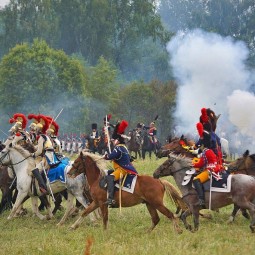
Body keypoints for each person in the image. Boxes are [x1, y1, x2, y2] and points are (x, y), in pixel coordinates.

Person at [103, 120, 138, 207]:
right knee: (106, 172)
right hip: (123, 169)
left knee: (110, 178)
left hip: (122, 170)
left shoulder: (118, 148)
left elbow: (111, 156)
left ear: (117, 140)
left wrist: (106, 156)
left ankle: (110, 199)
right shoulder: (124, 147)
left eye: (114, 139)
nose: (113, 141)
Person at [192, 122, 223, 208]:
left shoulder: (206, 151)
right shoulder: (207, 150)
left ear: (203, 143)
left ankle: (201, 200)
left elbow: (201, 163)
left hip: (211, 169)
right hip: (212, 167)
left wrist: (192, 164)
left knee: (196, 179)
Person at [31, 114, 60, 195]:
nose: (35, 130)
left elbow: (40, 151)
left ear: (38, 129)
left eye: (35, 129)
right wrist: (34, 146)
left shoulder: (41, 137)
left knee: (35, 170)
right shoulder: (45, 136)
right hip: (51, 155)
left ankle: (42, 187)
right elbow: (40, 146)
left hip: (47, 156)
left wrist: (32, 155)